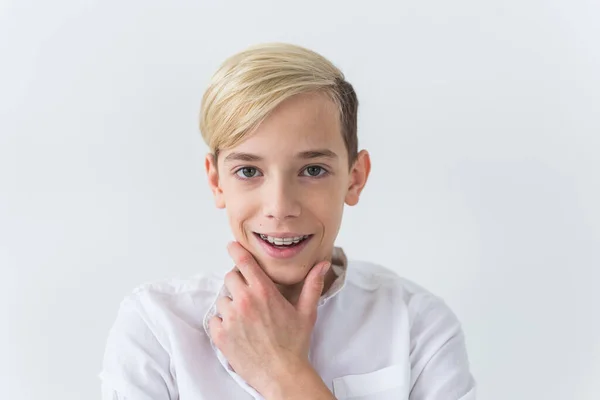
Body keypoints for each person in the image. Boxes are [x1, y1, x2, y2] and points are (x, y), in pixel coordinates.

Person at [99, 42, 476, 400]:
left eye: (313, 169)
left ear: (355, 177)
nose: (279, 207)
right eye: (248, 170)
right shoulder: (155, 329)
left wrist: (283, 374)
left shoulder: (418, 327)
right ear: (216, 182)